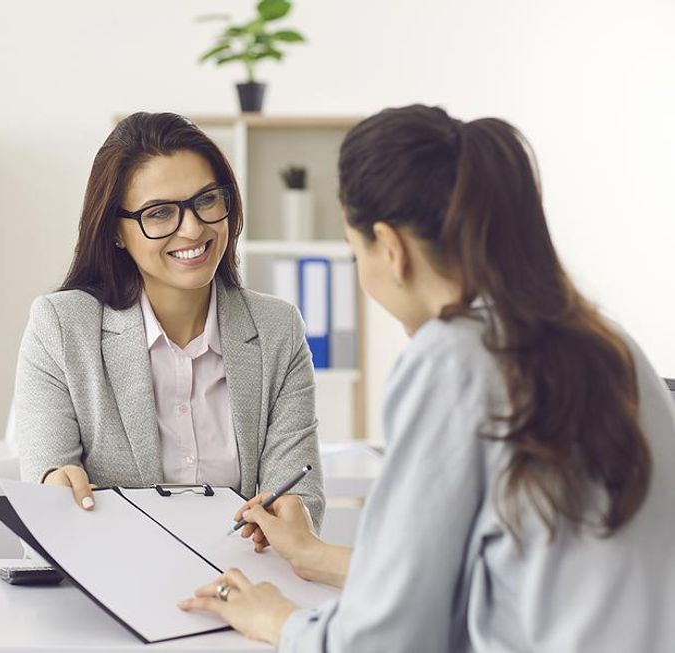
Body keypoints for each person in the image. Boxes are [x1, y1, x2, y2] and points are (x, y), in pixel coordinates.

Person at [179, 104, 675, 652]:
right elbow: (498, 581)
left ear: (390, 249)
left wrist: (275, 619)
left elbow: (389, 640)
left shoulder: (456, 359)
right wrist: (315, 556)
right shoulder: (608, 342)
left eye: (354, 250)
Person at [10, 112, 325, 529]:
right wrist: (54, 485)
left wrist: (291, 516)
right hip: (113, 580)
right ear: (116, 231)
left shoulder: (277, 330)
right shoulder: (63, 328)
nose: (193, 228)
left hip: (243, 582)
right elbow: (47, 485)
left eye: (207, 199)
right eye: (159, 213)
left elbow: (300, 498)